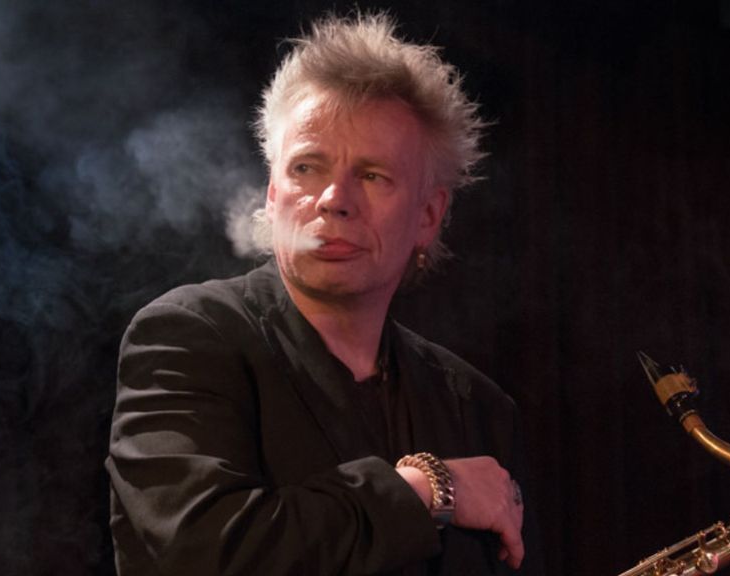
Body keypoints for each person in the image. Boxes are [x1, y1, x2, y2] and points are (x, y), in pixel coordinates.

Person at [107, 12, 540, 576]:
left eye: (373, 175)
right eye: (307, 167)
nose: (334, 198)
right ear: (273, 194)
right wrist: (430, 487)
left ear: (429, 215)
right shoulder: (186, 336)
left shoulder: (478, 407)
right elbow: (200, 553)